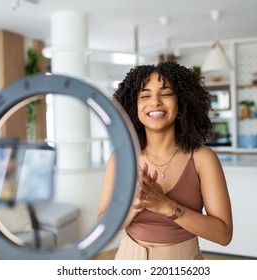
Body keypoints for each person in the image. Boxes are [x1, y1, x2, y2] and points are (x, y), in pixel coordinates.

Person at [97, 61, 233, 260]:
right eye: (145, 95)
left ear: (181, 104)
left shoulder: (203, 158)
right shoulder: (121, 159)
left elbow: (223, 234)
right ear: (134, 107)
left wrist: (167, 206)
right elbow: (103, 226)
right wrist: (132, 205)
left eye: (166, 93)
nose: (155, 102)